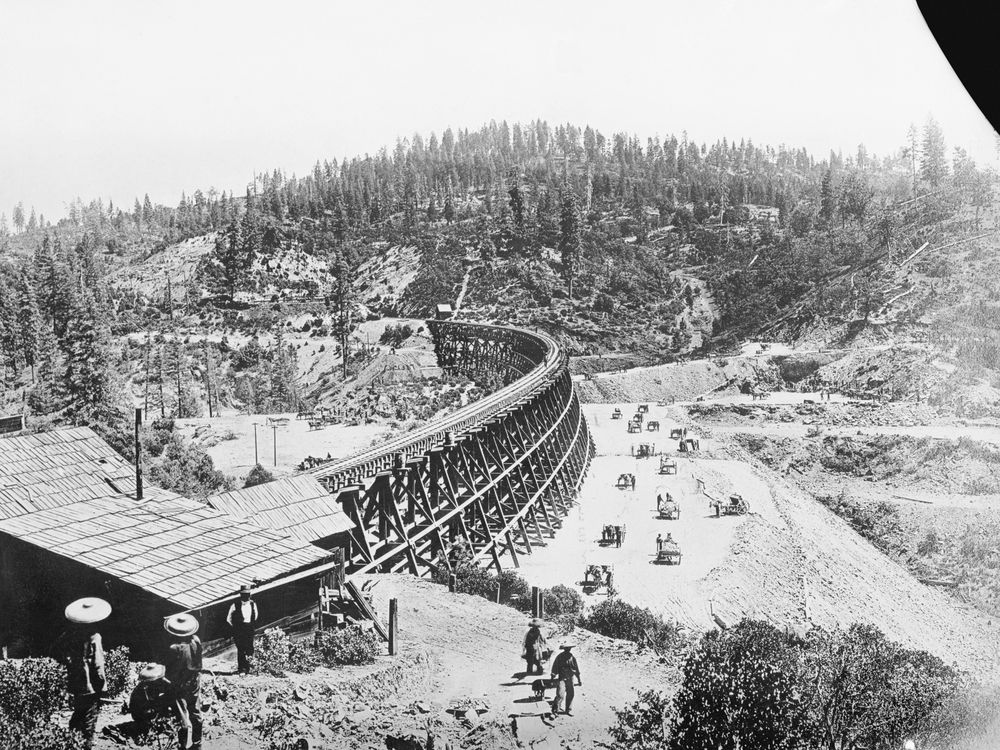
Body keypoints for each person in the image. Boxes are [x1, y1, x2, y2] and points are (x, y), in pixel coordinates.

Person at [64, 597, 111, 749]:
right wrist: (102, 684)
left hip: (77, 682)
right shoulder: (95, 637)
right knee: (89, 720)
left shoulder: (72, 635)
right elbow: (98, 664)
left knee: (78, 714)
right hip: (91, 685)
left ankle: (70, 742)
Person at [164, 613, 203, 750]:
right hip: (194, 681)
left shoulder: (174, 648)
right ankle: (197, 744)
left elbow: (169, 669)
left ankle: (182, 746)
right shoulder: (196, 640)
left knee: (181, 715)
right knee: (195, 712)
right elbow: (199, 663)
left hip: (180, 684)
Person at [226, 584, 259, 674]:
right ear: (241, 595)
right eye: (244, 594)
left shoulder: (253, 604)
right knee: (241, 649)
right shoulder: (235, 605)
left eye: (248, 594)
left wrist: (249, 625)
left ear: (250, 595)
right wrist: (236, 626)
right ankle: (242, 669)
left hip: (249, 629)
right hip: (239, 630)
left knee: (249, 648)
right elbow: (228, 619)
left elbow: (255, 616)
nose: (246, 596)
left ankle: (248, 668)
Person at [550, 644, 582, 715]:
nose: (568, 650)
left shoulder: (572, 657)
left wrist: (579, 680)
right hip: (562, 678)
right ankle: (555, 710)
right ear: (564, 649)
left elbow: (576, 669)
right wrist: (552, 678)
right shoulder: (559, 657)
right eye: (567, 648)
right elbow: (555, 668)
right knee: (560, 694)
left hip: (570, 678)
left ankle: (568, 710)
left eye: (569, 648)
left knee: (571, 694)